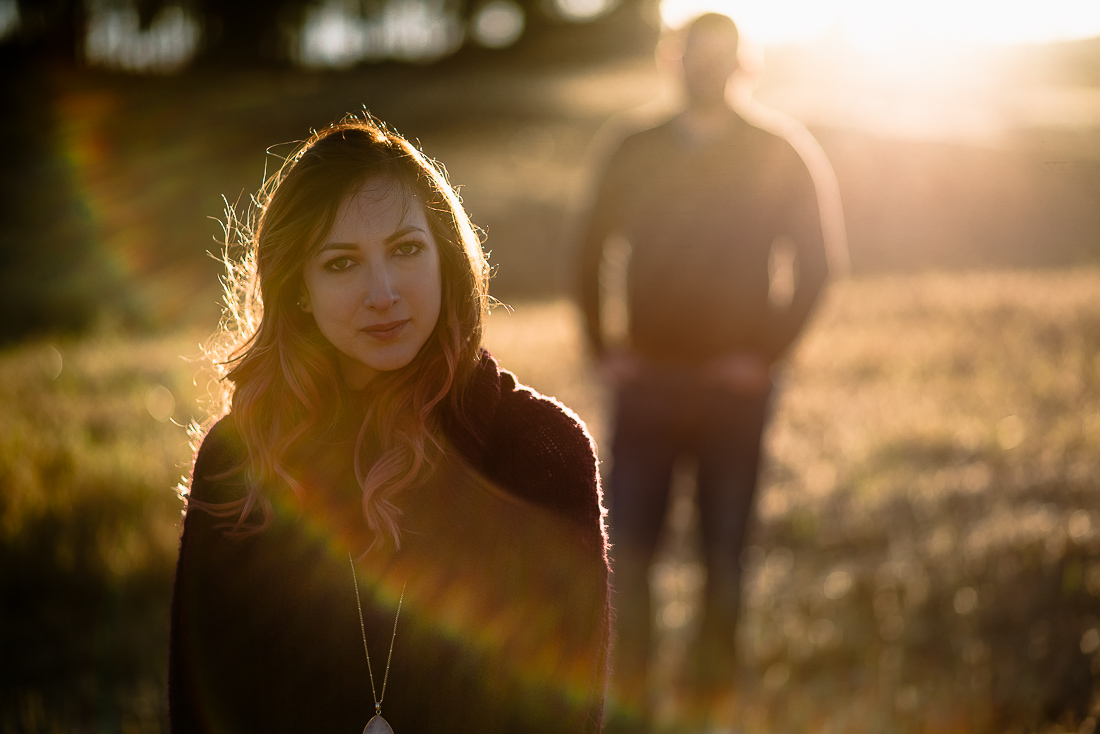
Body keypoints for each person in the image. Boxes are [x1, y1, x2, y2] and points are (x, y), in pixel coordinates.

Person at [169, 117, 610, 734]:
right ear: (298, 288)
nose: (383, 293)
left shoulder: (541, 455)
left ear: (445, 260)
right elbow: (201, 707)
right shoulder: (238, 460)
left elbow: (565, 713)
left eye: (405, 250)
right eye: (342, 263)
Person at [575, 13, 833, 732]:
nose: (708, 66)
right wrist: (604, 348)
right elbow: (589, 246)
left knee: (725, 558)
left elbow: (817, 265)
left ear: (743, 63)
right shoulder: (632, 148)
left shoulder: (781, 152)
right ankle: (628, 710)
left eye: (723, 55)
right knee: (628, 558)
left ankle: (706, 714)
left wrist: (764, 355)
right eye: (695, 53)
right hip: (646, 388)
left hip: (735, 397)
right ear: (672, 58)